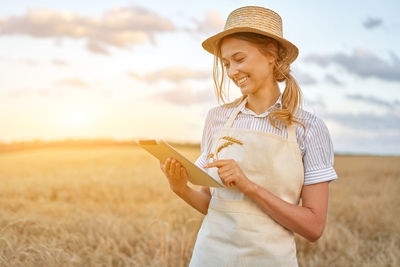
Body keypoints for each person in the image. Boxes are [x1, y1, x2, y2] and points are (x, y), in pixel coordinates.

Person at [160, 6, 337, 266]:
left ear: (271, 55)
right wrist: (180, 189)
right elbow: (212, 205)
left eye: (239, 59)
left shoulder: (308, 128)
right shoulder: (216, 119)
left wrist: (249, 187)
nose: (231, 72)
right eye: (226, 63)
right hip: (210, 257)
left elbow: (313, 227)